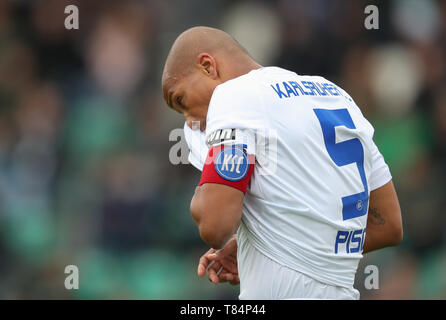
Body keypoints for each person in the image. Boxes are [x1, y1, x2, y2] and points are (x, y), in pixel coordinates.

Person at [161, 26, 403, 299]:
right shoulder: (336, 95)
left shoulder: (233, 96)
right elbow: (387, 225)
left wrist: (201, 187)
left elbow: (214, 225)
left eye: (180, 100)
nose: (189, 121)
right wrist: (270, 243)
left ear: (208, 66)